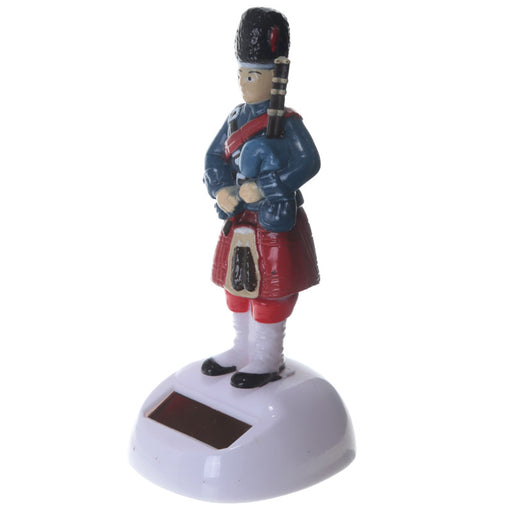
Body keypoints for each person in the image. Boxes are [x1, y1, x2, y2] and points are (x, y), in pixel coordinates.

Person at [201, 8, 321, 388]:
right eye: (241, 74)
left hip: (272, 218)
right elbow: (214, 157)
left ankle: (267, 358)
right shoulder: (235, 118)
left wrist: (267, 186)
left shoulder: (289, 123)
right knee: (236, 289)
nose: (243, 82)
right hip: (240, 217)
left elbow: (309, 162)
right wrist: (221, 188)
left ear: (274, 77)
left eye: (251, 75)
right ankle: (242, 349)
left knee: (270, 292)